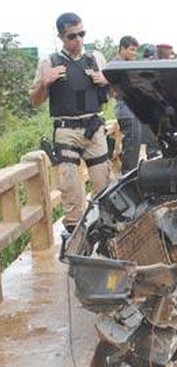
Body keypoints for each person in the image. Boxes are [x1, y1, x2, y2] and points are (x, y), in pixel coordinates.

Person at [29, 12, 111, 233]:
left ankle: (103, 233)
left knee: (103, 186)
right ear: (61, 37)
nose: (78, 40)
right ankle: (76, 240)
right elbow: (35, 101)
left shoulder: (97, 58)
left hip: (94, 128)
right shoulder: (49, 62)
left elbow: (117, 93)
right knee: (71, 191)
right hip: (66, 130)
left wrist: (107, 81)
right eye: (72, 36)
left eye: (82, 34)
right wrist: (45, 83)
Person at [113, 35, 143, 173]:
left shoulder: (125, 65)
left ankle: (130, 174)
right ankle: (128, 178)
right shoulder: (117, 66)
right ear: (122, 48)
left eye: (135, 50)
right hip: (126, 110)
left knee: (133, 146)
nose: (134, 53)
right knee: (131, 148)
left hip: (130, 110)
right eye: (131, 50)